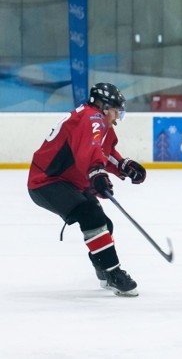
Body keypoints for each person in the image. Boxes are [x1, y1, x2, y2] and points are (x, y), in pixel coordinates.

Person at [27, 83, 147, 297]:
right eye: (116, 111)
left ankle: (103, 266)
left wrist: (123, 166)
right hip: (46, 182)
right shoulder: (92, 118)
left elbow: (103, 151)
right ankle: (113, 272)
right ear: (105, 106)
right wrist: (96, 173)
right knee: (92, 216)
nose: (118, 117)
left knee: (104, 224)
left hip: (66, 181)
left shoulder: (95, 120)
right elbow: (90, 152)